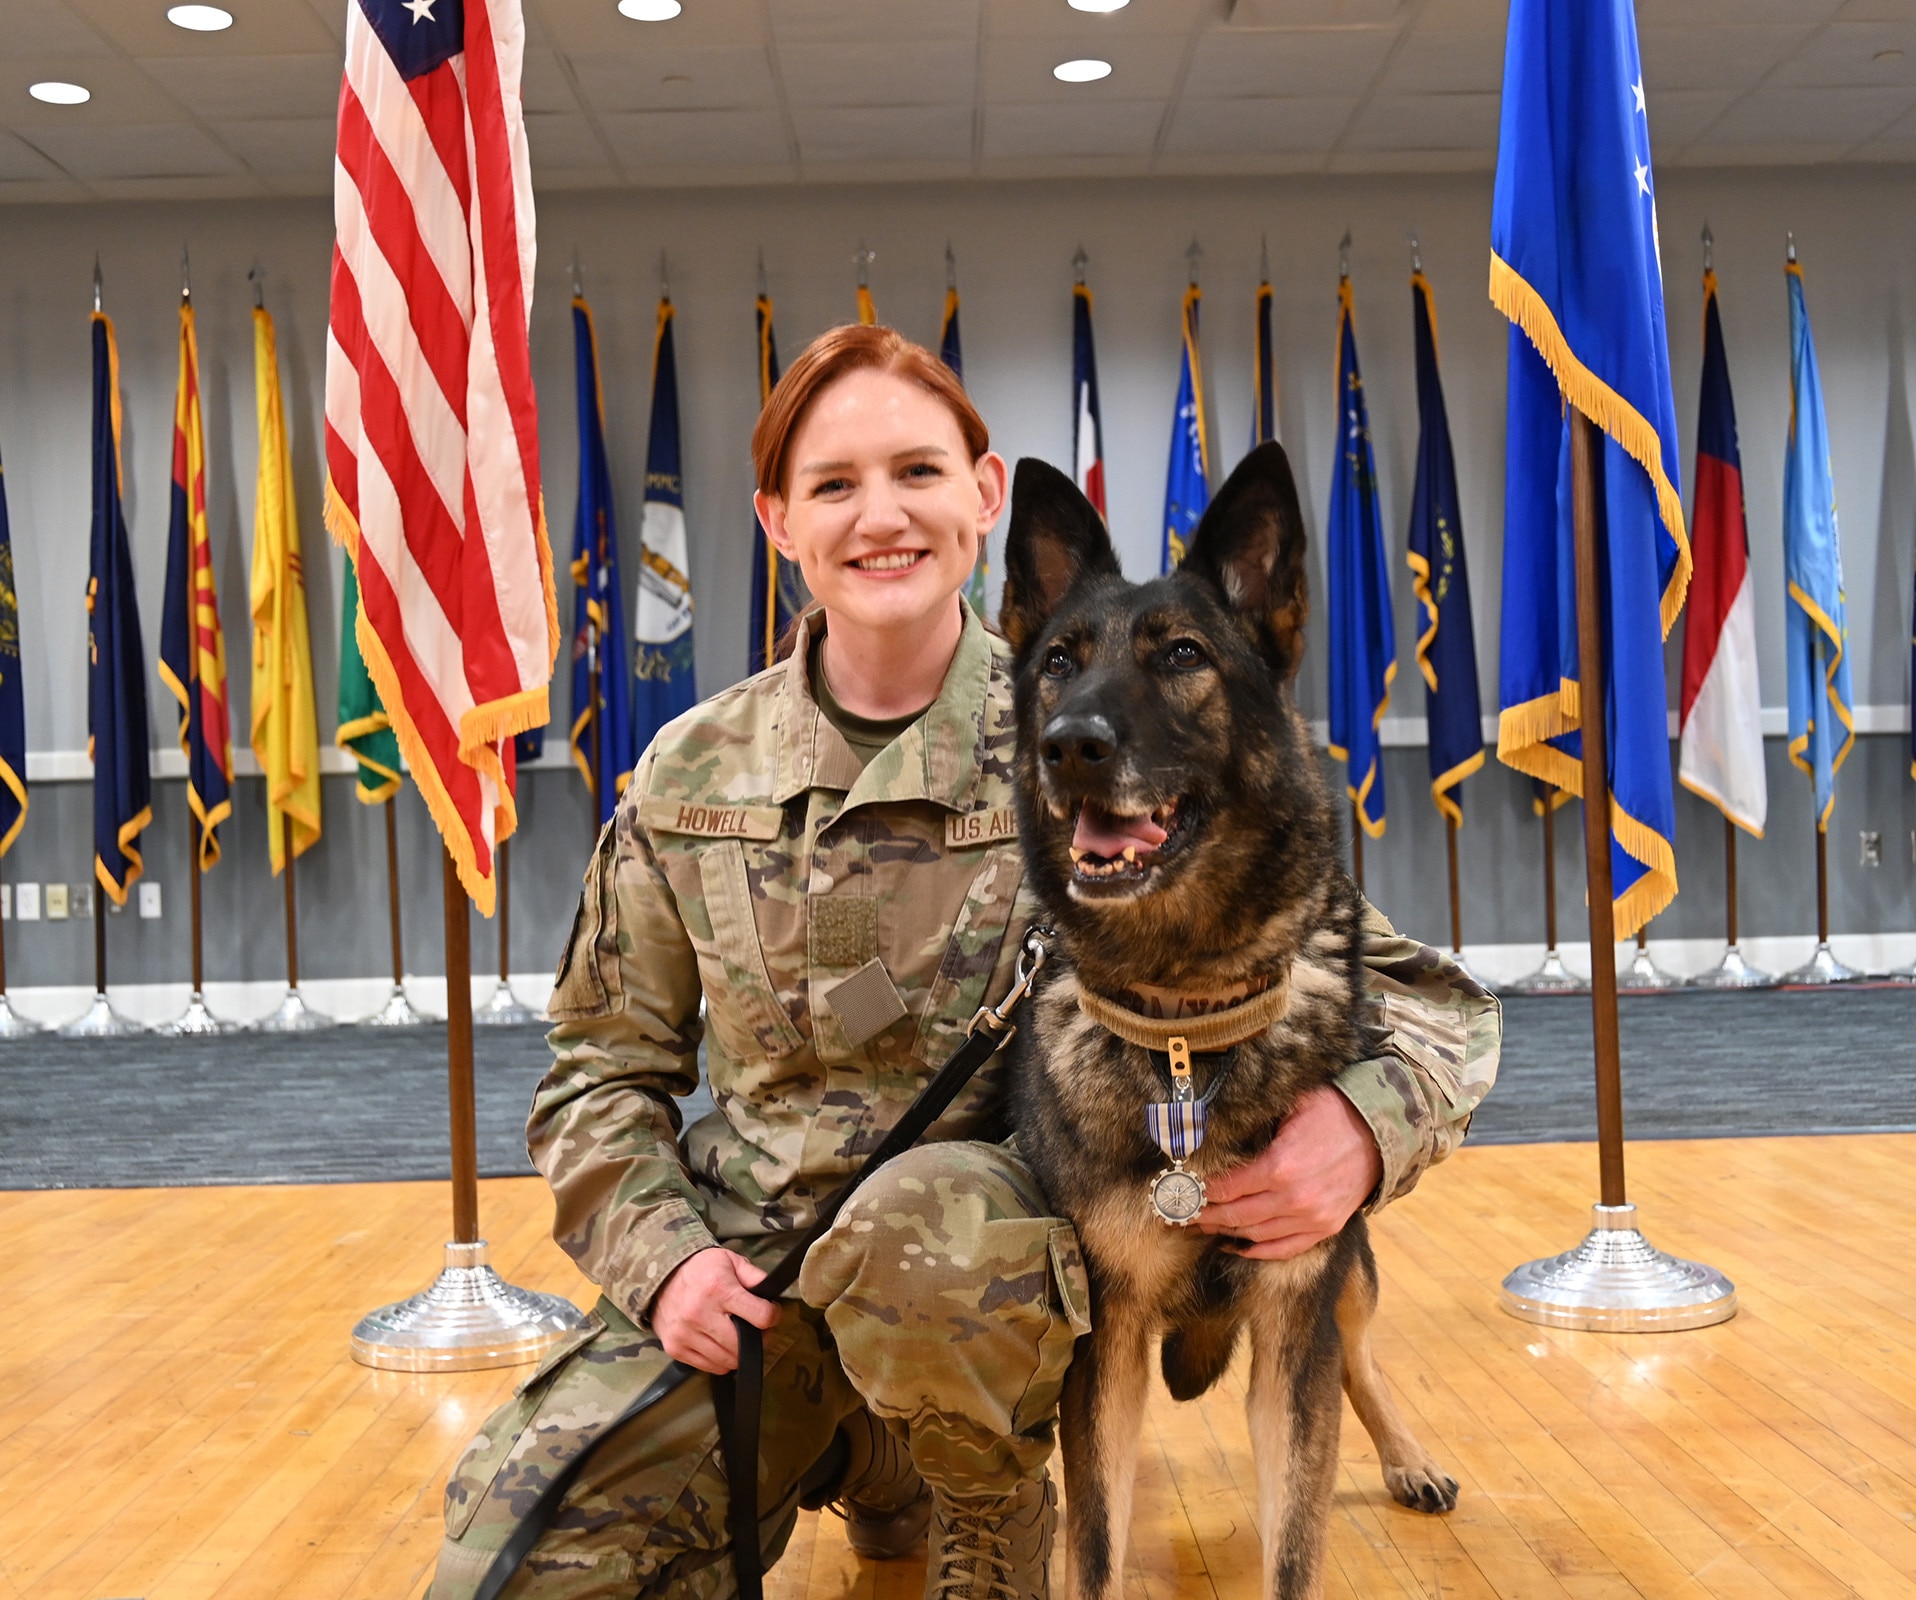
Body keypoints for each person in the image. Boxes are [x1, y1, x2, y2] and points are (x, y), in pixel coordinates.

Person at [429, 324, 1499, 1600]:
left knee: (931, 1218)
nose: (879, 514)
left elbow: (1422, 1001)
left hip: (978, 1309)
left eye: (917, 472)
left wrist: (1362, 1126)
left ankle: (968, 1506)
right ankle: (848, 1463)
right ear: (777, 520)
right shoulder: (690, 773)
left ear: (982, 499)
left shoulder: (1103, 731)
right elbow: (595, 1074)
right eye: (832, 484)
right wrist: (668, 1264)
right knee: (519, 1571)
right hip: (752, 1284)